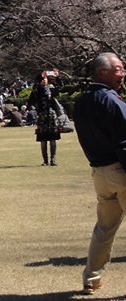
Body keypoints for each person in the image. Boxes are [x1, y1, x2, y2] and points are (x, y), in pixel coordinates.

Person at [74, 53, 126, 294]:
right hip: (120, 170)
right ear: (102, 72)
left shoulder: (82, 101)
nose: (122, 73)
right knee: (105, 228)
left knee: (104, 229)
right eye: (118, 69)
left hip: (99, 172)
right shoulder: (111, 100)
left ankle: (91, 278)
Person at [30, 72, 63, 166]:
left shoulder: (51, 90)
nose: (44, 80)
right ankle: (45, 160)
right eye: (43, 79)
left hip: (51, 116)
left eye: (45, 79)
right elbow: (34, 93)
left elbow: (61, 87)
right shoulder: (37, 90)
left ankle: (53, 160)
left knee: (53, 139)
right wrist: (39, 79)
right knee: (43, 140)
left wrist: (57, 77)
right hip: (42, 117)